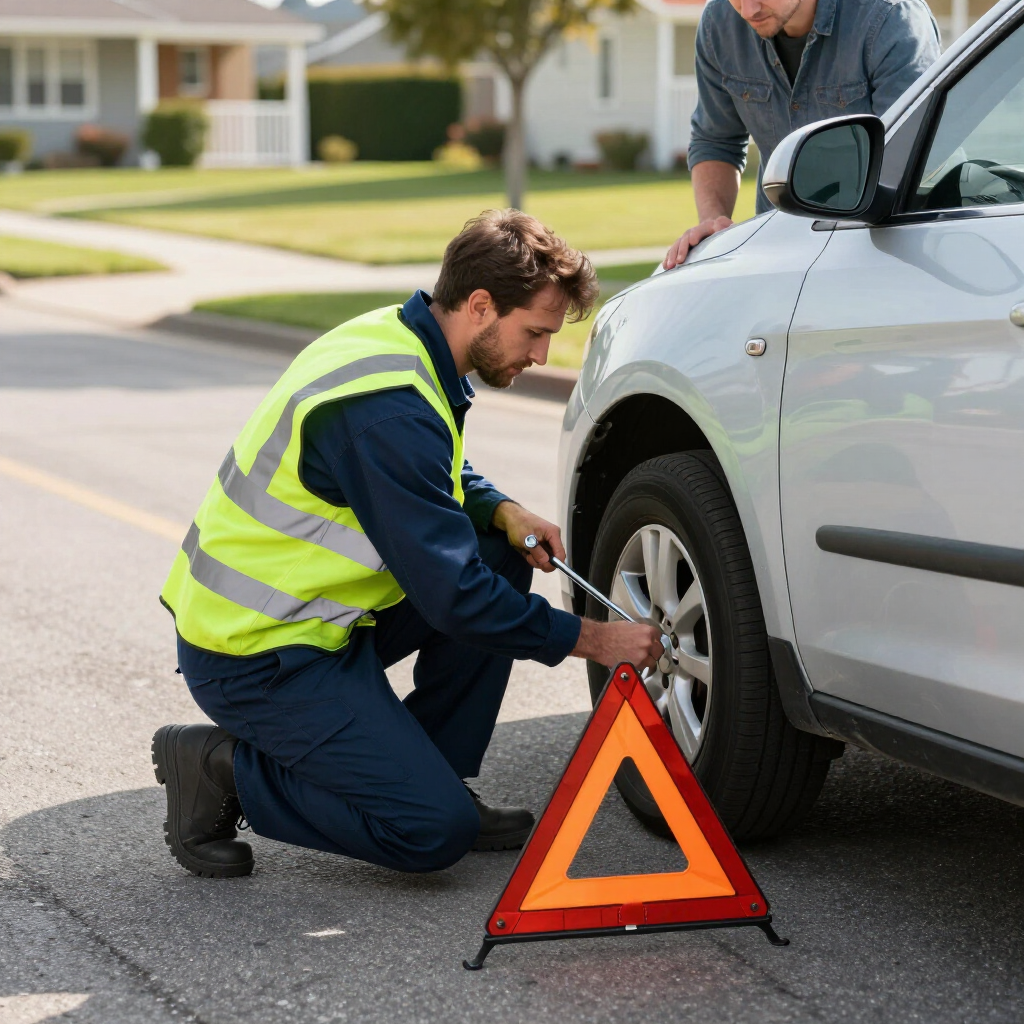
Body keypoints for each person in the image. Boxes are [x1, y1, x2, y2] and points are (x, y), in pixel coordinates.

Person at [152, 210, 666, 879]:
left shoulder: (400, 342)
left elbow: (431, 472)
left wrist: (499, 506)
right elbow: (453, 596)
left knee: (499, 554)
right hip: (257, 655)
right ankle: (220, 767)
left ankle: (435, 772)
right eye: (536, 332)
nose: (542, 355)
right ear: (482, 305)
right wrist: (594, 640)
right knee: (429, 831)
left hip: (319, 622)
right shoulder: (387, 409)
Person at [663, 0, 940, 268]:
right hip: (779, 254)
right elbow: (715, 141)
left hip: (884, 253)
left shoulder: (890, 17)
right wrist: (714, 222)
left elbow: (916, 157)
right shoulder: (719, 22)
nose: (748, 10)